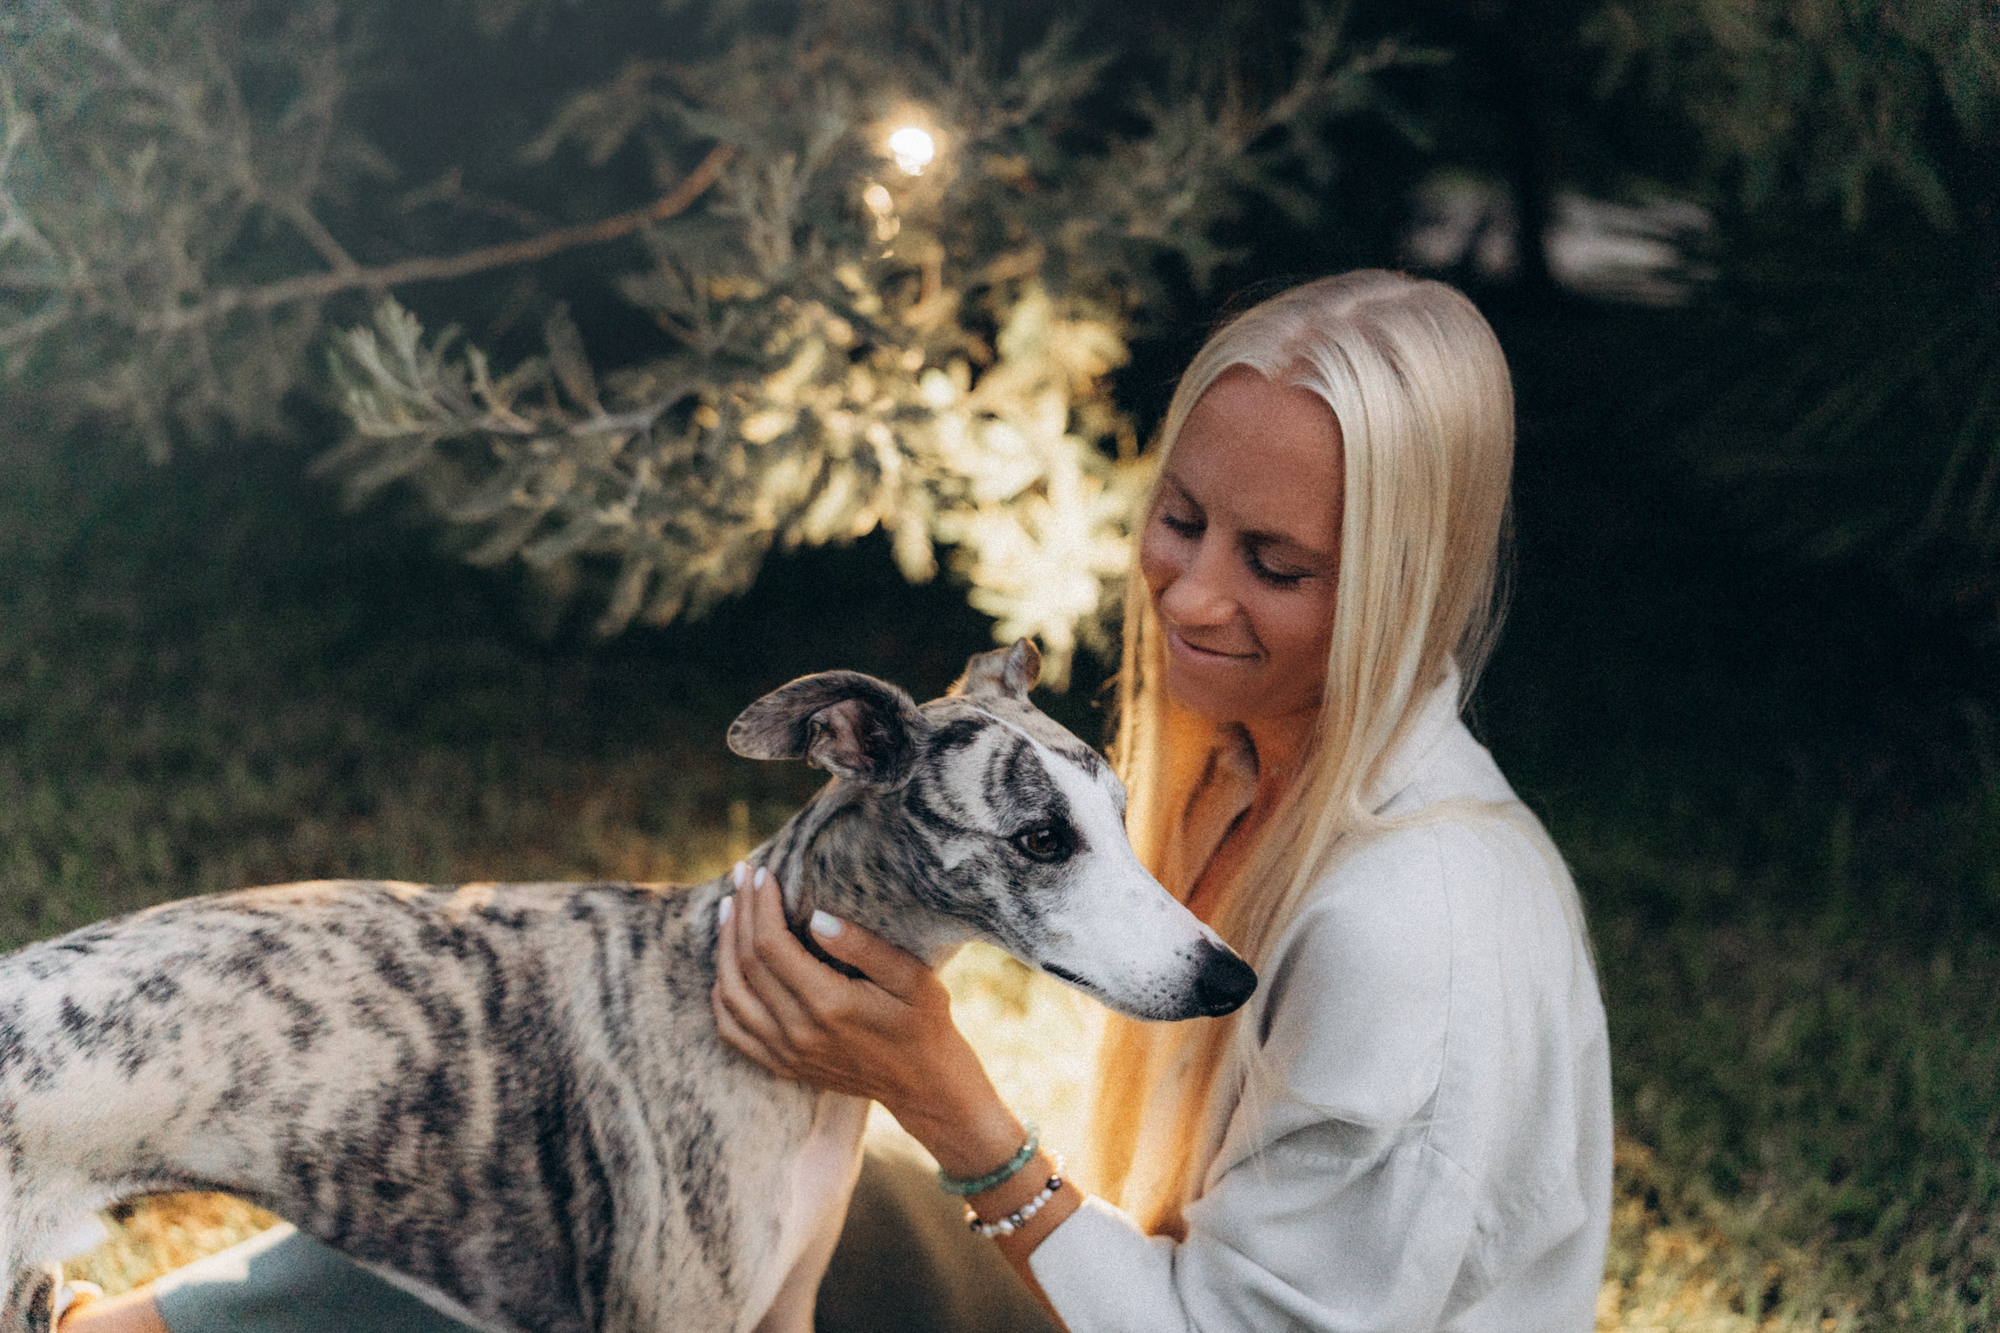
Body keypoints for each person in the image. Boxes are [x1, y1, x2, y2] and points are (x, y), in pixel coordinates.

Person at [61, 270, 1610, 1332]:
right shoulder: (1253, 763)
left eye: (1275, 565)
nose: (1193, 593)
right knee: (591, 1119)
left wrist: (959, 1110)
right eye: (1185, 520)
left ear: (1403, 574)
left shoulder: (1418, 925)